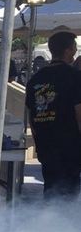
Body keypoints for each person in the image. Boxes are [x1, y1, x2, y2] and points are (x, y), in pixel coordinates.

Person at [25, 31, 81, 198]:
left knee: (51, 191)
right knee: (69, 195)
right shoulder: (75, 77)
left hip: (46, 146)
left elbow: (31, 117)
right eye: (75, 48)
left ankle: (50, 221)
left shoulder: (35, 79)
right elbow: (79, 112)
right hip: (70, 147)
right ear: (69, 50)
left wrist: (39, 143)